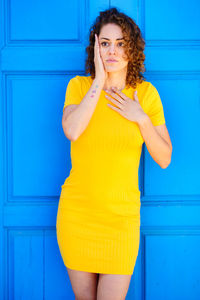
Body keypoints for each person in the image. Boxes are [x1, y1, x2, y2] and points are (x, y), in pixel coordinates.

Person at [56, 7, 172, 300]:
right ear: (95, 47)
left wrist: (141, 117)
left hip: (121, 221)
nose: (112, 51)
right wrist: (98, 80)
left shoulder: (145, 95)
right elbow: (72, 130)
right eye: (105, 43)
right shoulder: (79, 87)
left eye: (121, 43)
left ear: (132, 49)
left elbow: (164, 158)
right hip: (77, 215)